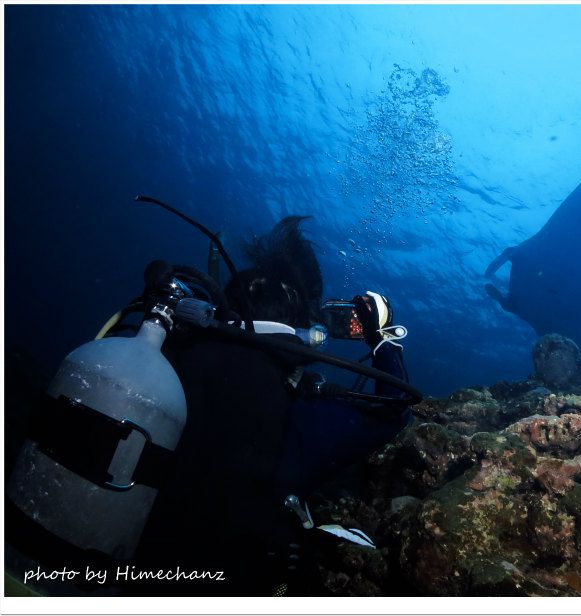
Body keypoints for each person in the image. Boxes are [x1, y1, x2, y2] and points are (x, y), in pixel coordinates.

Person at [133, 215, 412, 596]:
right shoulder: (295, 416)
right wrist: (381, 339)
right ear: (302, 325)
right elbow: (392, 409)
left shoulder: (164, 355)